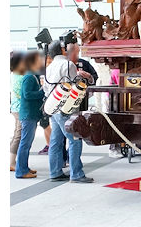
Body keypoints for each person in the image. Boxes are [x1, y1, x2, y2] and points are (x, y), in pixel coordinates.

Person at [44, 40, 95, 183]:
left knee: (56, 141)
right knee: (75, 139)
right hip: (66, 108)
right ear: (62, 50)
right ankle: (76, 174)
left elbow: (47, 89)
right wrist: (84, 78)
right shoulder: (68, 65)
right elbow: (75, 87)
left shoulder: (49, 67)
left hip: (53, 106)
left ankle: (55, 172)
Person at [15, 52, 43, 178]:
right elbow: (27, 94)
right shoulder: (29, 77)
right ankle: (21, 171)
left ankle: (24, 167)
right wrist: (42, 93)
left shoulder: (33, 76)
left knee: (27, 143)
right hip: (28, 115)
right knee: (25, 143)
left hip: (31, 114)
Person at [10, 52, 26, 171]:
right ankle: (11, 162)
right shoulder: (18, 75)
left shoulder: (17, 74)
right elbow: (23, 94)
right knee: (18, 135)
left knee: (18, 134)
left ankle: (12, 161)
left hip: (17, 108)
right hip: (19, 108)